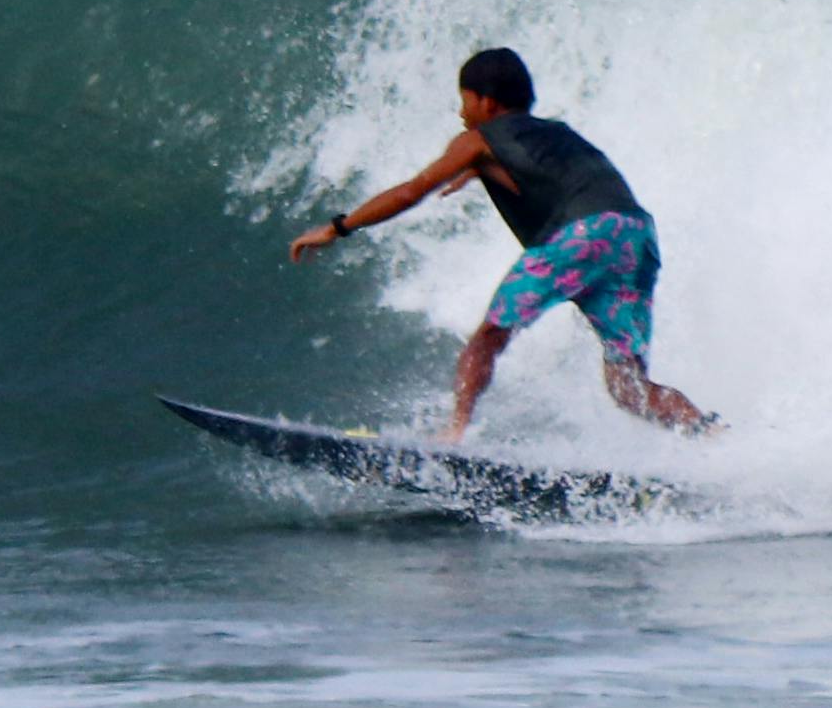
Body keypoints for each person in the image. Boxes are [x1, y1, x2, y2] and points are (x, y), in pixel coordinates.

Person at [286, 46, 718, 438]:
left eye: (465, 101)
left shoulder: (478, 139)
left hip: (582, 234)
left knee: (489, 336)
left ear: (486, 102)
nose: (461, 113)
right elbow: (561, 175)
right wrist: (481, 170)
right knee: (629, 386)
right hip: (635, 236)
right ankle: (711, 436)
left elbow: (409, 192)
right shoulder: (558, 134)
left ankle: (453, 433)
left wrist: (337, 227)